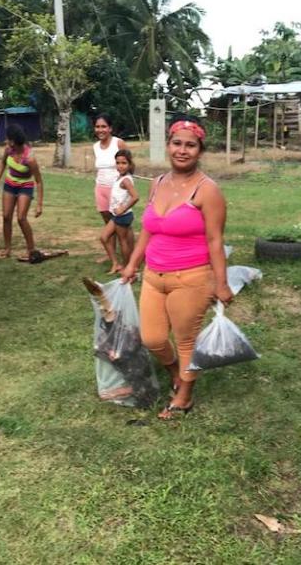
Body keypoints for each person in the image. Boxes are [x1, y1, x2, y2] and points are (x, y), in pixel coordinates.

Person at [121, 114, 233, 420]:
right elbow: (148, 229)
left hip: (192, 278)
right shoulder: (157, 183)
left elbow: (215, 240)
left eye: (191, 145)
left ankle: (184, 395)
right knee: (152, 338)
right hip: (153, 275)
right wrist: (132, 264)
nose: (183, 150)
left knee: (185, 340)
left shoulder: (207, 190)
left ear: (200, 150)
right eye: (177, 143)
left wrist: (221, 284)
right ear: (168, 145)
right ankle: (177, 373)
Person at [0, 124, 43, 261]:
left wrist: (39, 204)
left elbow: (38, 181)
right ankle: (7, 249)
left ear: (13, 141)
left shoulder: (29, 158)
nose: (5, 141)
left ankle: (31, 249)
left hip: (25, 186)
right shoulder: (9, 150)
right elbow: (2, 163)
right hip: (9, 184)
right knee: (6, 216)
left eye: (7, 139)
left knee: (21, 218)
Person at [93, 114, 127, 264]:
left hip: (117, 191)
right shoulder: (95, 147)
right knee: (108, 223)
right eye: (98, 127)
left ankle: (129, 255)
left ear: (110, 128)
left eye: (104, 126)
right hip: (101, 188)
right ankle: (110, 254)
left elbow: (129, 165)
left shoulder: (118, 143)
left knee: (122, 225)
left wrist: (125, 187)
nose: (100, 130)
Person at [100, 149, 139, 273]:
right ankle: (116, 263)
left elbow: (135, 197)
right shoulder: (120, 177)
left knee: (123, 242)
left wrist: (123, 208)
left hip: (123, 216)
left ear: (129, 164)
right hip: (116, 215)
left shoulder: (126, 180)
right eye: (118, 163)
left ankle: (127, 266)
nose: (120, 166)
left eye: (123, 163)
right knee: (104, 237)